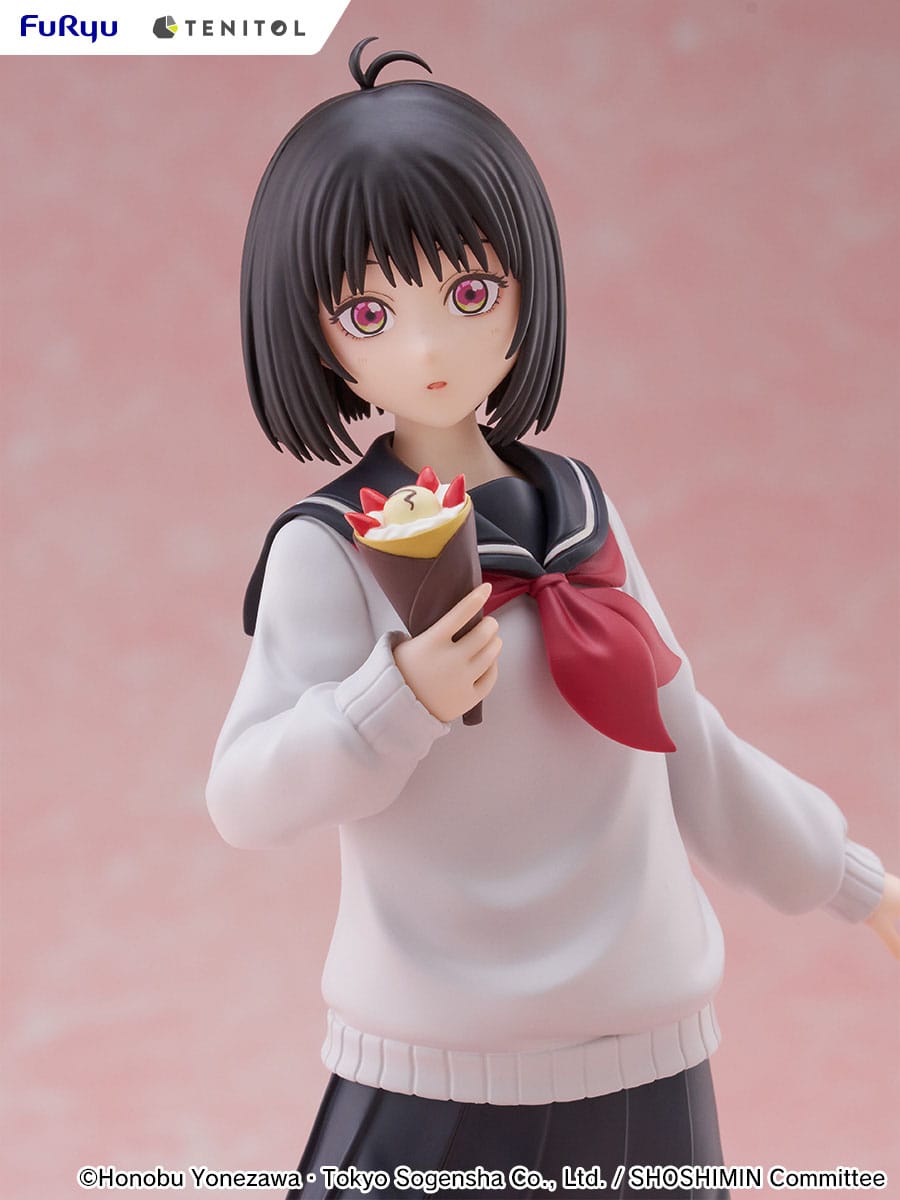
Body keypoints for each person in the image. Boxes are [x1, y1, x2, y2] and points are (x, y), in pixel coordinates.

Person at [207, 38, 898, 1200]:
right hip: (428, 1056)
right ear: (313, 335)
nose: (428, 347)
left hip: (646, 1045)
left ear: (529, 289)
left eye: (469, 294)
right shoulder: (332, 548)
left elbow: (689, 743)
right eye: (370, 311)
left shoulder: (582, 510)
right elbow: (245, 797)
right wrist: (393, 701)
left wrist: (856, 885)